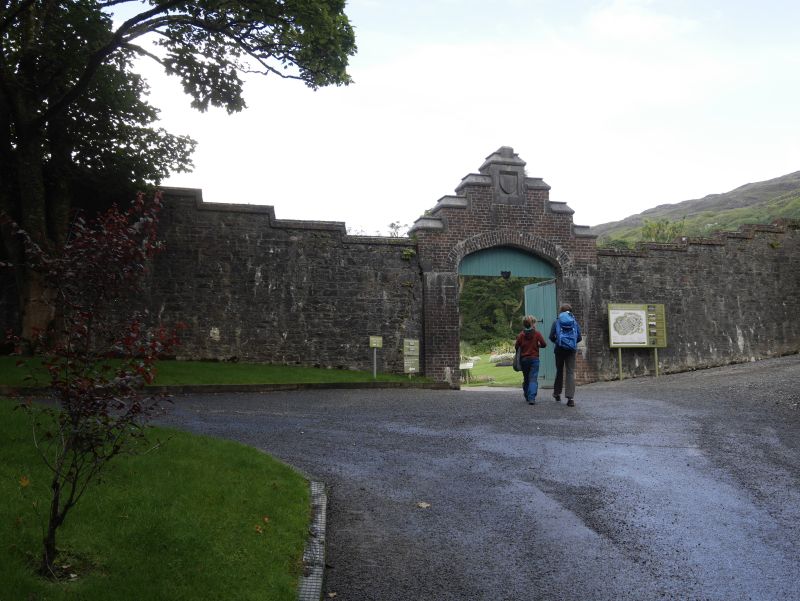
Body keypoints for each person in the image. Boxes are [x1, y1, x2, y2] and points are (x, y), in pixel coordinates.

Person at [549, 303, 582, 407]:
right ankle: (570, 398)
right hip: (571, 350)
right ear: (570, 311)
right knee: (570, 373)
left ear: (561, 311)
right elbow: (579, 337)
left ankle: (557, 393)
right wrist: (571, 343)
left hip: (559, 349)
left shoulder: (556, 321)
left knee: (559, 371)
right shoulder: (574, 322)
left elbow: (551, 337)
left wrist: (559, 342)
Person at [515, 315, 547, 405]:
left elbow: (516, 346)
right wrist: (538, 346)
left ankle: (526, 395)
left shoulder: (521, 335)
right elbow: (544, 344)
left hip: (524, 359)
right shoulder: (537, 334)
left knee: (526, 378)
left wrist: (522, 346)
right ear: (532, 324)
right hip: (534, 359)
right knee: (533, 378)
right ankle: (532, 398)